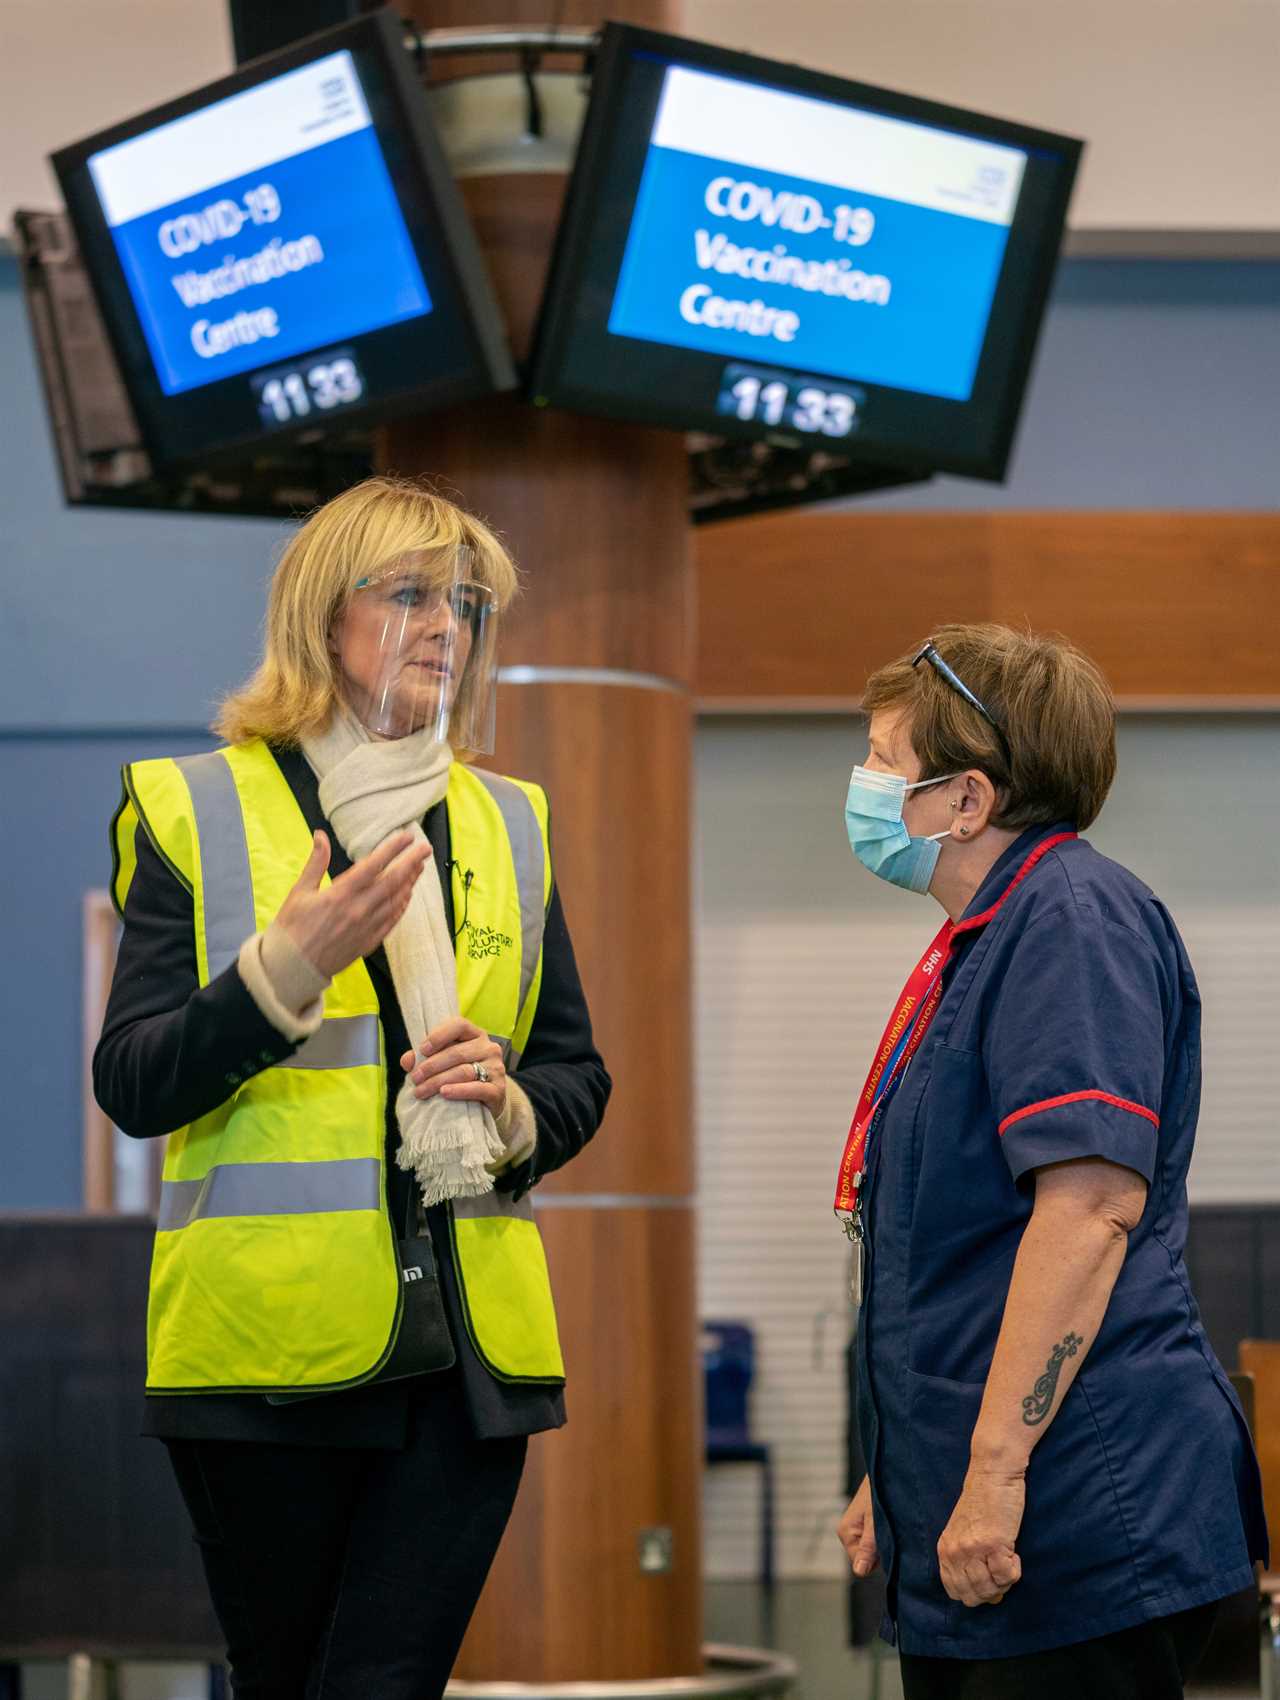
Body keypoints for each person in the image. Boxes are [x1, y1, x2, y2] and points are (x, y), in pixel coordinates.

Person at [93, 474, 610, 1698]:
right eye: (414, 595)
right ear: (327, 618)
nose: (449, 625)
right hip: (261, 1365)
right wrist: (286, 971)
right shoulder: (195, 803)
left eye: (468, 602)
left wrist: (512, 1102)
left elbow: (576, 1069)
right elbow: (134, 1079)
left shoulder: (508, 820)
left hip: (468, 1369)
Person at [833, 624, 1267, 1700]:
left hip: (1074, 1504)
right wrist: (892, 1468)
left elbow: (1085, 1212)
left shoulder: (1068, 918)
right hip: (989, 1492)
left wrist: (988, 1473)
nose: (864, 782)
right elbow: (961, 1249)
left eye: (884, 757)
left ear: (968, 799)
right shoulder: (990, 934)